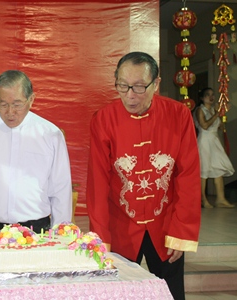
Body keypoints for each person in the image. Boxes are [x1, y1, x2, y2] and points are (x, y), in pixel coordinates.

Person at [86, 52, 201, 300]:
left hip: (165, 225)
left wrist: (181, 233)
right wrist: (100, 238)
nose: (130, 95)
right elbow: (97, 182)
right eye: (123, 86)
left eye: (139, 87)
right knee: (119, 293)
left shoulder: (178, 115)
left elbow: (188, 176)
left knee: (171, 293)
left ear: (156, 83)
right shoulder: (104, 119)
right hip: (121, 225)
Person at [0, 70, 72, 235]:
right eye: (3, 104)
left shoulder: (50, 134)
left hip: (35, 229)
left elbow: (61, 188)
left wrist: (60, 233)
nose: (10, 112)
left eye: (17, 104)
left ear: (31, 99)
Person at [194, 87, 235, 208]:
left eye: (212, 94)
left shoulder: (213, 110)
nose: (211, 97)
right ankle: (202, 199)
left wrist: (222, 115)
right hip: (204, 142)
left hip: (214, 141)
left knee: (219, 168)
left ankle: (220, 199)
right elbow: (204, 125)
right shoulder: (199, 110)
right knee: (203, 170)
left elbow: (218, 127)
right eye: (208, 95)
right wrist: (218, 113)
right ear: (202, 98)